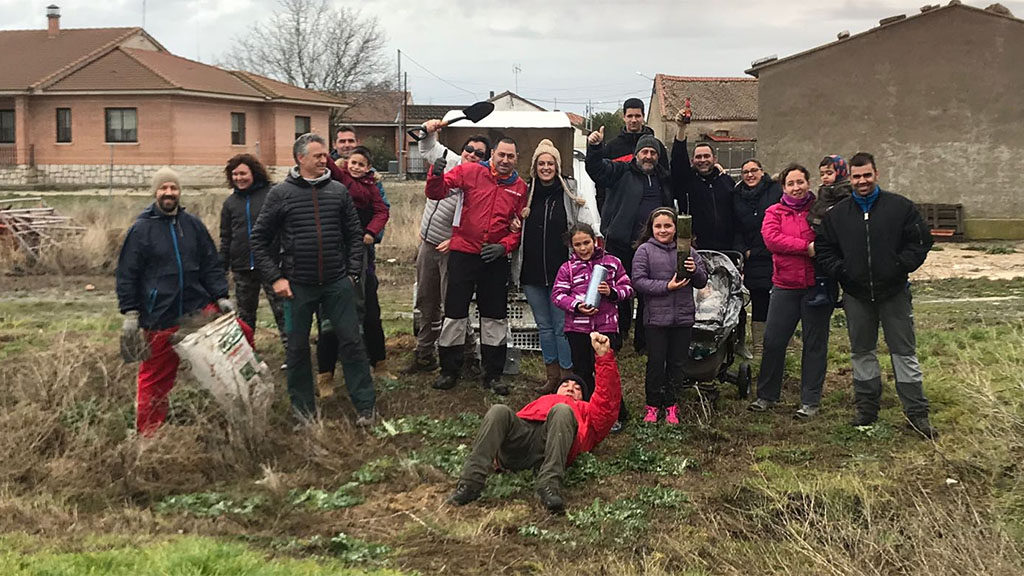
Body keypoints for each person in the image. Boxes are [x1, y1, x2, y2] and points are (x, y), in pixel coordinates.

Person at [250, 133, 376, 425]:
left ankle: (366, 406)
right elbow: (258, 239)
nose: (325, 160)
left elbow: (353, 235)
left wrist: (352, 273)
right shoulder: (281, 194)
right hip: (297, 286)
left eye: (324, 156)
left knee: (352, 343)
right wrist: (276, 278)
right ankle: (303, 411)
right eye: (318, 156)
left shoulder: (337, 191)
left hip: (336, 283)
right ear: (300, 159)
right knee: (296, 349)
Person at [116, 167, 251, 434]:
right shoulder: (141, 230)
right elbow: (127, 274)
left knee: (242, 336)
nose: (169, 193)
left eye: (173, 188)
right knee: (154, 379)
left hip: (197, 311)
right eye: (163, 188)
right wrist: (131, 314)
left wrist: (221, 296)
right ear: (155, 192)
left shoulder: (192, 225)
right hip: (159, 317)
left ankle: (242, 410)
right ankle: (149, 436)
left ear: (179, 192)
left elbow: (210, 265)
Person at [816, 152, 936, 438]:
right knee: (861, 353)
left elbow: (921, 241)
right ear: (851, 178)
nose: (862, 181)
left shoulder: (900, 207)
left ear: (876, 174)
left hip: (894, 293)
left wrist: (899, 266)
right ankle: (867, 410)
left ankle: (916, 414)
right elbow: (824, 249)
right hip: (857, 296)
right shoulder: (838, 215)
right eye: (857, 177)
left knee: (904, 354)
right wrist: (842, 271)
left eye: (867, 175)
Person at [448, 332, 622, 513]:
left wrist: (604, 357)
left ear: (583, 397)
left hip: (553, 444)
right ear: (555, 391)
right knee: (499, 410)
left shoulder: (586, 411)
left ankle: (548, 485)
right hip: (522, 439)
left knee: (562, 411)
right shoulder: (542, 401)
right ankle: (470, 484)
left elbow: (606, 402)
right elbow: (511, 422)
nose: (571, 388)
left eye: (577, 388)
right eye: (565, 385)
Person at [585, 127, 675, 430]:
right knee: (619, 293)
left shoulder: (662, 177)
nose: (648, 156)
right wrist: (594, 147)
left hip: (653, 245)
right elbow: (596, 170)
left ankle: (644, 340)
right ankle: (618, 335)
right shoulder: (621, 172)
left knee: (652, 293)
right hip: (622, 242)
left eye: (653, 152)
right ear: (636, 154)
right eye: (644, 152)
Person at [426, 137, 529, 395]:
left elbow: (518, 229)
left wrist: (504, 246)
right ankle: (449, 370)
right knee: (455, 313)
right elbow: (436, 192)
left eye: (510, 156)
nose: (505, 160)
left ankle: (493, 374)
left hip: (494, 258)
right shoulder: (471, 171)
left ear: (517, 158)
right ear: (492, 154)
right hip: (463, 253)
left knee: (494, 316)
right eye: (501, 155)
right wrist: (435, 175)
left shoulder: (519, 187)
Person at [746, 164, 834, 419]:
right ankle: (766, 395)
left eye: (800, 182)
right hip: (785, 285)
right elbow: (772, 240)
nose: (797, 188)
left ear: (808, 183)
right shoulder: (774, 212)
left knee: (814, 344)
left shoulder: (820, 211)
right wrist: (807, 247)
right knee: (773, 342)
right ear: (783, 188)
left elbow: (829, 241)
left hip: (816, 286)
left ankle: (810, 400)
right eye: (791, 184)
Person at [513, 139, 599, 393]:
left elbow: (585, 224)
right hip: (532, 271)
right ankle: (550, 375)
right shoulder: (526, 193)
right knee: (544, 326)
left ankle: (567, 376)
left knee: (562, 327)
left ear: (557, 166)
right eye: (541, 163)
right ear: (534, 166)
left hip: (563, 273)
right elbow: (512, 219)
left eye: (550, 163)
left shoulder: (569, 192)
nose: (546, 167)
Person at [405, 119, 489, 375]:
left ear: (485, 159)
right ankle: (424, 354)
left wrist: (454, 241)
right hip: (428, 243)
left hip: (453, 249)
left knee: (452, 306)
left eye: (479, 153)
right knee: (426, 301)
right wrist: (428, 128)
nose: (472, 154)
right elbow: (426, 146)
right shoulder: (450, 160)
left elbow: (480, 218)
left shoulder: (483, 180)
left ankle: (468, 357)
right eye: (469, 149)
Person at [311, 145, 391, 398]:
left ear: (369, 168)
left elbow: (382, 211)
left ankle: (377, 364)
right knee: (329, 317)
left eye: (361, 164)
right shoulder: (339, 178)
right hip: (334, 254)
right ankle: (325, 375)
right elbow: (331, 166)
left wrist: (370, 232)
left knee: (368, 310)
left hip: (362, 253)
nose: (356, 167)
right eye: (352, 163)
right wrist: (320, 149)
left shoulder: (372, 187)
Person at [631, 207, 708, 425]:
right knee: (656, 363)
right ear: (651, 228)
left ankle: (672, 404)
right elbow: (638, 281)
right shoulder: (644, 251)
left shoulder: (689, 251)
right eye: (658, 226)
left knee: (677, 363)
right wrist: (667, 286)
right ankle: (653, 405)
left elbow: (702, 281)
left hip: (682, 318)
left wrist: (695, 271)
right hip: (656, 319)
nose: (663, 230)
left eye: (668, 225)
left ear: (676, 228)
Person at [551, 223, 632, 399]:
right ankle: (585, 408)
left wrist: (612, 292)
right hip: (577, 330)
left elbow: (628, 288)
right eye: (577, 245)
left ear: (595, 241)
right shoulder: (568, 268)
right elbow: (557, 295)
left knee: (606, 371)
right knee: (582, 371)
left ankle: (615, 412)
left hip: (605, 328)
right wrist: (576, 306)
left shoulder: (612, 262)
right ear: (572, 246)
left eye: (586, 243)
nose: (583, 248)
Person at [219, 154, 287, 354]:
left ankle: (292, 356)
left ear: (254, 173)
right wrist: (222, 265)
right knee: (245, 316)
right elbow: (226, 236)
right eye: (235, 174)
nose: (239, 178)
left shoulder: (271, 194)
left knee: (282, 312)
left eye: (243, 173)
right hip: (241, 267)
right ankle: (247, 357)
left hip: (270, 265)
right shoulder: (230, 203)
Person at [732, 158, 782, 359]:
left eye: (754, 170)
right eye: (745, 172)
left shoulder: (775, 191)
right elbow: (735, 225)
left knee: (779, 300)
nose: (750, 175)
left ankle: (781, 344)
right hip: (753, 256)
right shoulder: (737, 196)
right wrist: (743, 250)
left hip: (775, 253)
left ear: (762, 172)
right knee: (759, 298)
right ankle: (760, 347)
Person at [671, 110, 736, 251]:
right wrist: (681, 129)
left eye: (706, 156)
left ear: (715, 159)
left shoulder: (727, 182)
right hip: (696, 248)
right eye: (698, 157)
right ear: (692, 160)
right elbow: (678, 159)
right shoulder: (687, 182)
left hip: (727, 248)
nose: (703, 160)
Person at [593, 97, 669, 211]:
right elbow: (601, 184)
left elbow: (665, 180)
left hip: (652, 213)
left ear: (643, 117)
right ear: (623, 117)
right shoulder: (612, 148)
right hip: (621, 213)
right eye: (630, 116)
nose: (634, 120)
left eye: (637, 116)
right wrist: (605, 213)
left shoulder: (657, 147)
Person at [806, 154, 852, 307]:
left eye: (829, 173)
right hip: (821, 230)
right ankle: (823, 292)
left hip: (834, 234)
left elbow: (841, 209)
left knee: (839, 267)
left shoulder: (842, 189)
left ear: (840, 172)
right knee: (822, 266)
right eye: (822, 174)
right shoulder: (824, 189)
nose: (825, 177)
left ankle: (846, 295)